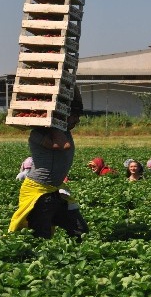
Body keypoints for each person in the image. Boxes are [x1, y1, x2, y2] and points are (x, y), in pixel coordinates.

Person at [8, 86, 88, 240]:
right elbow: (62, 146)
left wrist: (72, 84)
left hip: (55, 191)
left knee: (80, 230)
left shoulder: (63, 130)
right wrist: (53, 120)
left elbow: (78, 104)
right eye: (74, 117)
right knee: (41, 235)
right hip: (39, 191)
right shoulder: (38, 134)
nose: (77, 120)